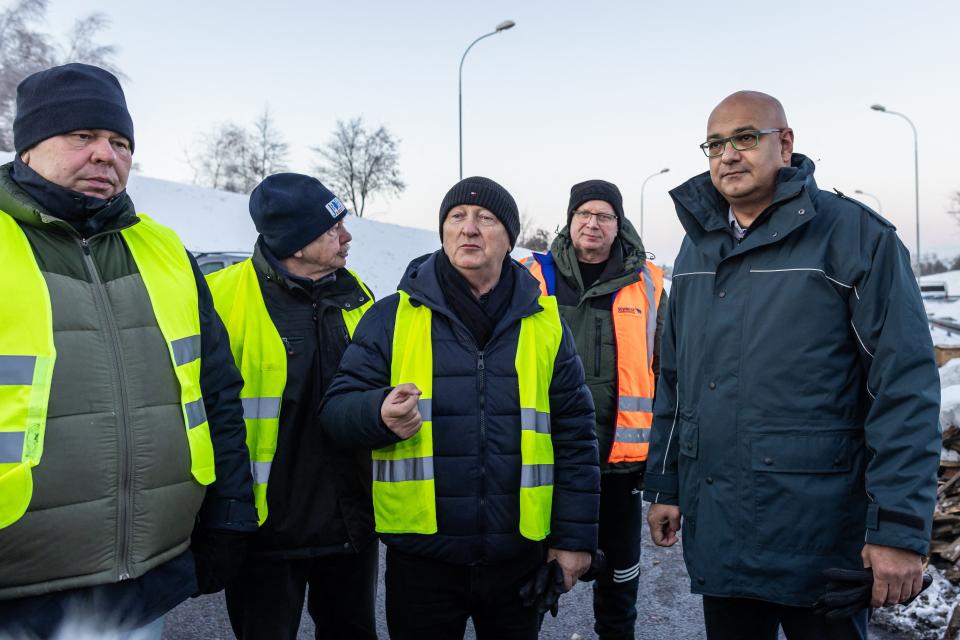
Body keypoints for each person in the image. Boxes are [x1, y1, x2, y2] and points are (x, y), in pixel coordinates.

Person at [643, 90, 941, 639]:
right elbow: (676, 382)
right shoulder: (693, 252)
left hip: (822, 542)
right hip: (723, 540)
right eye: (714, 144)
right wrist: (665, 486)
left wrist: (898, 528)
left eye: (745, 137)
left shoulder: (857, 237)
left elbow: (903, 387)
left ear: (785, 143)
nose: (728, 154)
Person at [0, 63, 257, 639]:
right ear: (31, 147)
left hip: (141, 589)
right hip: (15, 590)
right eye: (82, 136)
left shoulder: (164, 250)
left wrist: (230, 514)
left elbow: (216, 393)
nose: (105, 155)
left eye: (119, 142)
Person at [320, 176, 600, 639]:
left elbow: (575, 435)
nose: (468, 229)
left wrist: (573, 542)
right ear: (443, 232)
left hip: (518, 560)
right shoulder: (392, 316)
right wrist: (377, 414)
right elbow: (337, 411)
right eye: (456, 218)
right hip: (422, 561)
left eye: (485, 219)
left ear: (509, 238)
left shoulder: (546, 325)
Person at [206, 173, 378, 639]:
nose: (346, 237)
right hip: (265, 531)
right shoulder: (222, 298)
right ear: (296, 243)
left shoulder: (358, 296)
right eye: (332, 228)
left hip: (349, 526)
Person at [521, 180, 666, 640]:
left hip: (619, 463)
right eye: (584, 213)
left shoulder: (649, 282)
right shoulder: (531, 275)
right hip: (544, 461)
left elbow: (668, 370)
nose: (593, 223)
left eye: (605, 215)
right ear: (569, 219)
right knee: (534, 586)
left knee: (620, 592)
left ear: (619, 224)